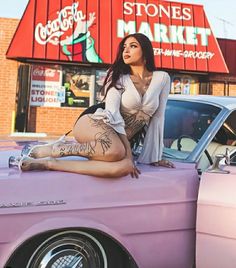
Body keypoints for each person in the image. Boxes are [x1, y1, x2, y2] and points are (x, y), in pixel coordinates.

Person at [20, 33, 174, 178]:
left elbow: (158, 118)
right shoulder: (118, 76)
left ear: (145, 51)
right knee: (118, 152)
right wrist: (127, 152)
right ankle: (56, 150)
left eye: (133, 46)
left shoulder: (162, 78)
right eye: (124, 47)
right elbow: (113, 112)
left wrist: (154, 157)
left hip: (116, 144)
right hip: (94, 122)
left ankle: (49, 163)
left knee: (124, 168)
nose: (126, 50)